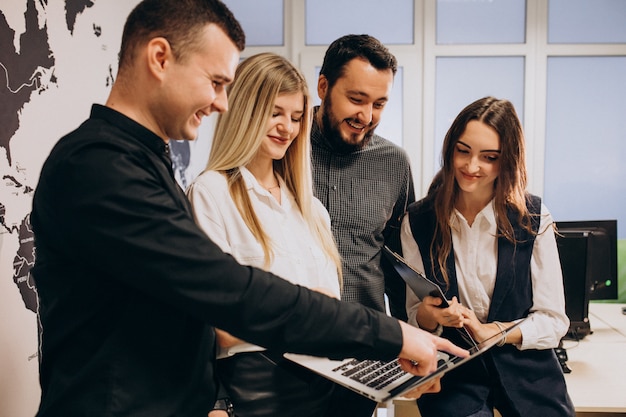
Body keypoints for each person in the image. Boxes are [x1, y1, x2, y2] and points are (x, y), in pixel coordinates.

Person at [30, 1, 467, 416]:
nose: (222, 102)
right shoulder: (100, 166)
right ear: (160, 58)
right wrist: (392, 336)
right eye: (216, 82)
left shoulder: (142, 163)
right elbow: (231, 293)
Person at [186, 52, 342, 416]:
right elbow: (215, 328)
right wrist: (305, 308)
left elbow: (333, 317)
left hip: (328, 387)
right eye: (275, 112)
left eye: (296, 117)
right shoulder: (212, 192)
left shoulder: (313, 211)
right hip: (256, 392)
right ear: (245, 110)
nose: (287, 127)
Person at [402, 96, 575, 417]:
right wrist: (431, 316)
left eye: (489, 157)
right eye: (463, 151)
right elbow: (415, 314)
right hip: (455, 373)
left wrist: (494, 331)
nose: (471, 167)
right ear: (450, 148)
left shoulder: (533, 217)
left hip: (528, 372)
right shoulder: (419, 219)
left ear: (507, 160)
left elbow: (554, 321)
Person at [310, 34, 415, 416]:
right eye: (356, 99)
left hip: (363, 359)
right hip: (287, 355)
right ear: (323, 86)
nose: (367, 116)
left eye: (380, 103)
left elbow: (398, 265)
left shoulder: (394, 163)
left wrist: (410, 340)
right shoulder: (281, 149)